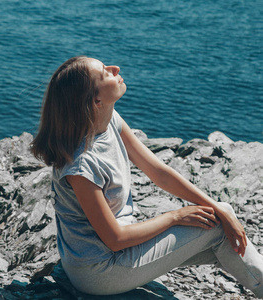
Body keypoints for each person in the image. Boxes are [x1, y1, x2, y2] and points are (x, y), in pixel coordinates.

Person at [30, 56, 263, 297]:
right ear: (95, 100)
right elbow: (115, 238)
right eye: (105, 73)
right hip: (99, 271)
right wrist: (175, 216)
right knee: (217, 227)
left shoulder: (109, 122)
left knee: (222, 228)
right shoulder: (82, 165)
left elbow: (160, 174)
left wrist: (216, 207)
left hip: (116, 253)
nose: (115, 68)